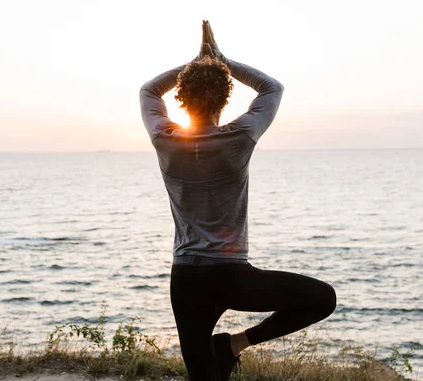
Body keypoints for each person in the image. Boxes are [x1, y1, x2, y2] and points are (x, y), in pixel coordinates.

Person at [139, 20, 336, 381]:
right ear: (225, 98)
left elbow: (150, 90)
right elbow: (271, 87)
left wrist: (195, 64)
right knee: (323, 298)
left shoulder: (164, 138)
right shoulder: (241, 135)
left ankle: (226, 347)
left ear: (181, 98)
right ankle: (235, 344)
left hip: (186, 280)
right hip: (231, 276)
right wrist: (221, 60)